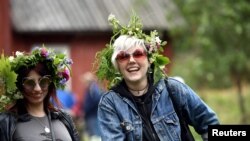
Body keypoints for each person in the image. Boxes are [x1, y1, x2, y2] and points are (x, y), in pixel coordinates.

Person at [94, 13, 220, 141]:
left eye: (138, 54)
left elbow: (209, 123)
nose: (131, 60)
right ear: (118, 66)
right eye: (123, 56)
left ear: (149, 61)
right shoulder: (110, 104)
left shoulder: (172, 89)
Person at [0, 47, 79, 141]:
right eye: (29, 83)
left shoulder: (64, 118)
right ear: (19, 86)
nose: (37, 89)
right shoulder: (6, 121)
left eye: (44, 81)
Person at [81, 72, 102, 141]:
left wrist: (86, 110)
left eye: (85, 82)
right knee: (93, 135)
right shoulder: (92, 88)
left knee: (95, 135)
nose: (84, 84)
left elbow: (96, 100)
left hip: (93, 115)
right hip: (92, 115)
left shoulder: (93, 89)